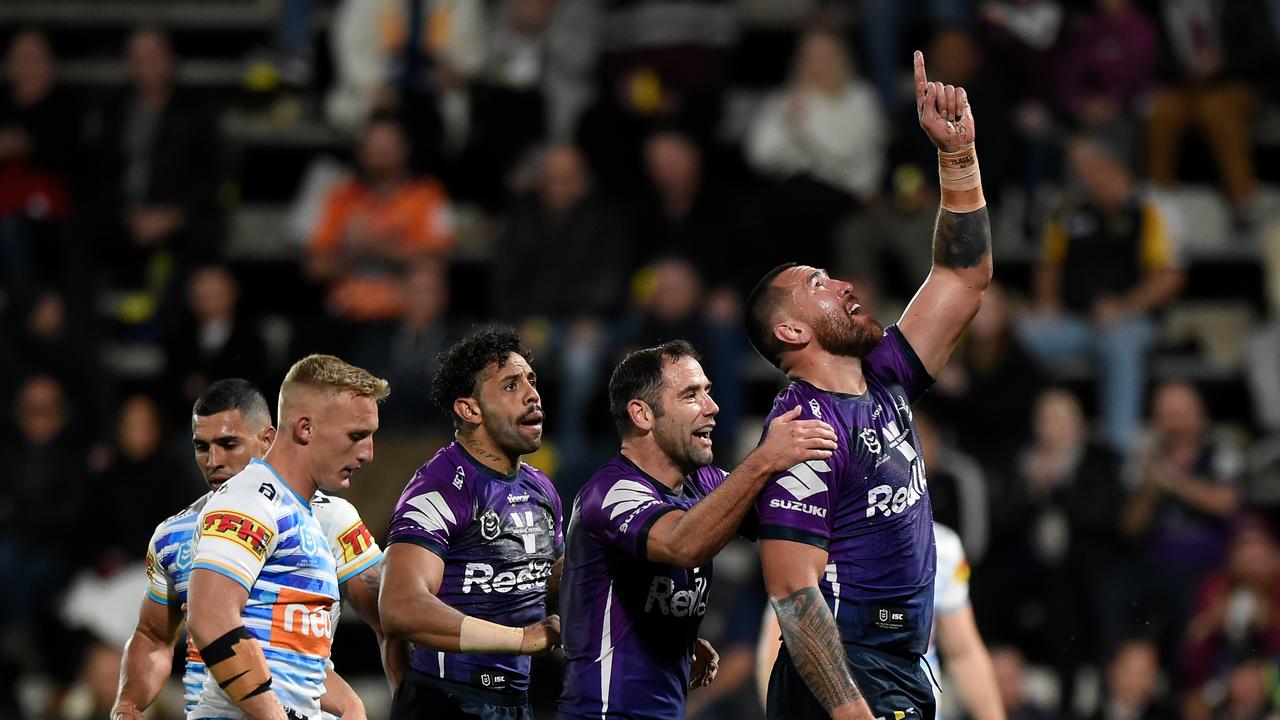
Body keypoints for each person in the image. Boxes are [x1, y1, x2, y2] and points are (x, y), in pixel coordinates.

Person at [742, 51, 992, 720]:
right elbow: (794, 596)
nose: (846, 285)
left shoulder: (884, 379)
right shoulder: (801, 431)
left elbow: (962, 279)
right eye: (819, 286)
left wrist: (958, 159)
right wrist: (852, 710)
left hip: (899, 666)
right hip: (851, 674)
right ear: (793, 334)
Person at [556, 340, 837, 718]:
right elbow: (683, 543)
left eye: (708, 391)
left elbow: (785, 519)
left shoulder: (701, 482)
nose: (712, 406)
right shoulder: (610, 492)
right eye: (691, 395)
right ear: (642, 414)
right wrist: (763, 460)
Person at [111, 377, 407, 719]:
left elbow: (390, 619)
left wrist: (397, 703)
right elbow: (152, 635)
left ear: (267, 439)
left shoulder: (331, 520)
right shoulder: (173, 534)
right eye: (202, 446)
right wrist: (128, 703)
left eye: (228, 443)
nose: (213, 461)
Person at [182, 359, 389, 719]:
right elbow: (211, 619)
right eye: (357, 435)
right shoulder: (249, 500)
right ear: (305, 428)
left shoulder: (301, 513)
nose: (368, 453)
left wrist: (351, 706)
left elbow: (288, 655)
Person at [379, 325, 562, 719]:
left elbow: (546, 585)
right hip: (447, 703)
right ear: (470, 409)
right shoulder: (441, 487)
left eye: (531, 380)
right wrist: (521, 639)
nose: (533, 394)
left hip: (515, 703)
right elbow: (399, 606)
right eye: (511, 386)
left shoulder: (541, 488)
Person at [1018, 133, 1184, 451]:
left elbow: (1169, 278)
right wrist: (1047, 305)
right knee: (1023, 337)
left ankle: (1118, 451)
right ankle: (1031, 438)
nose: (1081, 175)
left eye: (1087, 167)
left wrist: (1124, 307)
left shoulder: (1150, 208)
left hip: (1133, 321)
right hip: (1076, 321)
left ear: (1111, 166)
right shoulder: (1068, 209)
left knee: (1119, 342)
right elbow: (1048, 265)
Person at [755, 523, 1004, 720]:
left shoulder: (943, 547)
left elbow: (964, 653)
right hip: (826, 710)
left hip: (911, 708)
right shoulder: (813, 542)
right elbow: (781, 646)